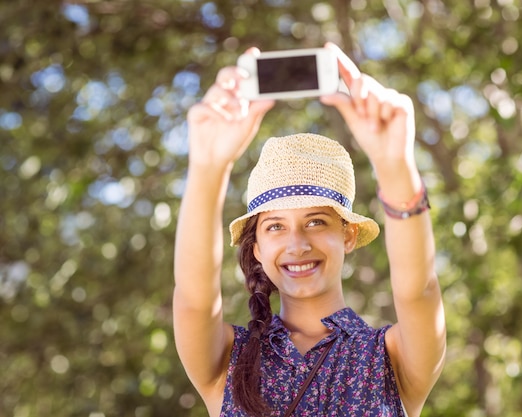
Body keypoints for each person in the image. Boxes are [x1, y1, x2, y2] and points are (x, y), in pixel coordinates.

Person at [173, 42, 446, 417]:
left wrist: (395, 163)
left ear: (348, 235)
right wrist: (207, 166)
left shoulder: (391, 357)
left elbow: (420, 291)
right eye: (275, 227)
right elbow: (193, 300)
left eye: (316, 222)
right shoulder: (228, 360)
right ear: (256, 248)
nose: (297, 243)